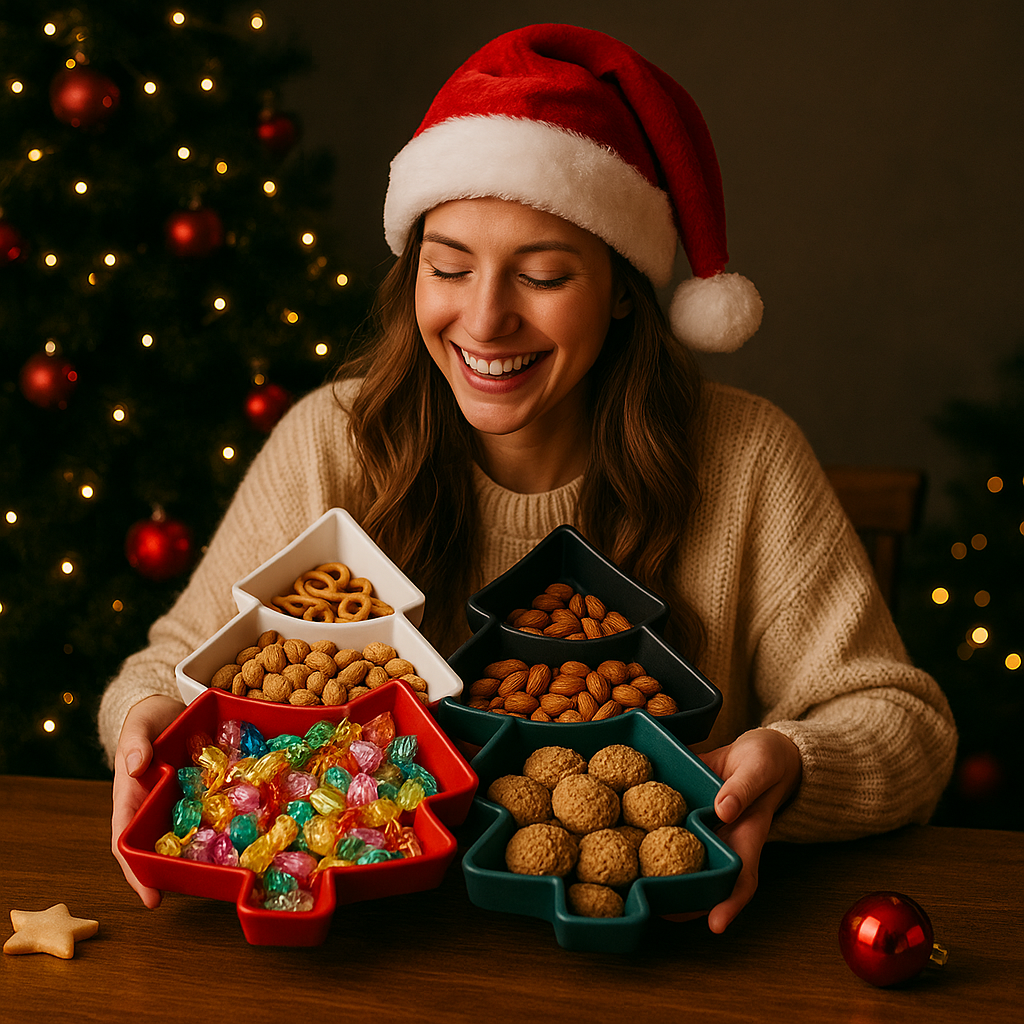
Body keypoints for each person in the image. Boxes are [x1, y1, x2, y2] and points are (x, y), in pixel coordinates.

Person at [99, 24, 956, 932]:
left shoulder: (745, 459)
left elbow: (904, 724)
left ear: (625, 288)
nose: (485, 319)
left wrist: (789, 763)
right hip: (373, 951)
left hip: (661, 958)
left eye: (543, 276)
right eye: (448, 267)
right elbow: (172, 664)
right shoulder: (331, 444)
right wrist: (146, 719)